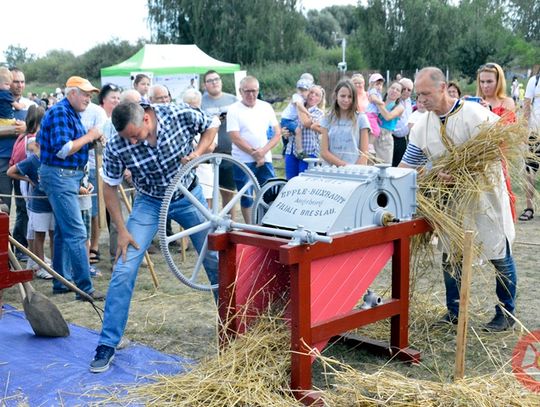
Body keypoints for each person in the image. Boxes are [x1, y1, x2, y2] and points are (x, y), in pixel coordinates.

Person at [89, 100, 219, 373]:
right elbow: (109, 188)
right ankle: (107, 344)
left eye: (135, 136)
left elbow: (212, 124)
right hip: (149, 202)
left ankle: (235, 327)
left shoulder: (176, 113)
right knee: (124, 268)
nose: (133, 143)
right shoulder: (116, 145)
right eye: (128, 139)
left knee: (216, 260)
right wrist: (122, 230)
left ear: (147, 118)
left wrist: (199, 151)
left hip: (187, 195)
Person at [399, 67, 517, 332]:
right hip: (452, 201)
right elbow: (409, 163)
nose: (421, 100)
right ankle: (453, 311)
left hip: (485, 197)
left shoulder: (475, 114)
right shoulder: (422, 125)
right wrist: (421, 174)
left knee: (498, 252)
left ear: (443, 88)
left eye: (426, 93)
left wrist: (466, 170)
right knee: (451, 255)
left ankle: (506, 313)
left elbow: (499, 146)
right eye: (418, 94)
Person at [38, 76, 105, 299]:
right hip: (61, 176)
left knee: (63, 231)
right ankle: (84, 288)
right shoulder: (60, 112)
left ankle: (61, 282)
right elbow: (63, 149)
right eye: (85, 94)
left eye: (90, 95)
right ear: (72, 93)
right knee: (77, 233)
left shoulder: (68, 112)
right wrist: (90, 136)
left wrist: (90, 140)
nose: (88, 98)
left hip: (64, 176)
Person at [226, 76, 281, 223]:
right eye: (247, 91)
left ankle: (269, 225)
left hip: (265, 158)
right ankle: (251, 227)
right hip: (243, 160)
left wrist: (262, 152)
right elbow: (235, 136)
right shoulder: (233, 109)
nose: (251, 94)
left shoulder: (266, 107)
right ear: (240, 91)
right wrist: (254, 153)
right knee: (247, 197)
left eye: (254, 91)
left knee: (271, 193)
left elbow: (277, 133)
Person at [0, 68, 36, 257]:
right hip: (2, 159)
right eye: (15, 81)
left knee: (24, 205)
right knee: (4, 205)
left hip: (24, 161)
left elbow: (36, 130)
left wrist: (26, 128)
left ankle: (20, 247)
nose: (19, 85)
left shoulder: (28, 106)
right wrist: (12, 129)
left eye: (22, 82)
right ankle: (4, 252)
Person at [201, 70, 238, 215]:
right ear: (205, 85)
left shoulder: (233, 99)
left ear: (221, 81)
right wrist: (214, 120)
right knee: (208, 193)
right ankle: (209, 227)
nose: (214, 82)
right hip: (207, 154)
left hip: (229, 152)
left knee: (228, 192)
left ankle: (231, 225)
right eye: (210, 80)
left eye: (216, 79)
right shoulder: (201, 101)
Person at [80, 99, 107, 266]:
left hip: (93, 164)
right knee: (82, 211)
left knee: (94, 209)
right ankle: (83, 246)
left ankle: (93, 247)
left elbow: (100, 136)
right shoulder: (67, 111)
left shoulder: (97, 111)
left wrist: (94, 136)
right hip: (77, 167)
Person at [320, 79, 371, 166]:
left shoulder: (361, 119)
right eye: (343, 96)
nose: (346, 100)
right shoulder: (327, 119)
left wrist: (354, 169)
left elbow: (364, 153)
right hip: (331, 170)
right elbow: (324, 152)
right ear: (336, 96)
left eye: (350, 97)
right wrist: (344, 166)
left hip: (354, 171)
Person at [285, 85, 325, 178]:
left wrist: (299, 106)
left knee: (304, 181)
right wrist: (285, 132)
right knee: (290, 182)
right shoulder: (294, 109)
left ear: (320, 99)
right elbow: (287, 123)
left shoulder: (318, 113)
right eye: (311, 92)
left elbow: (306, 123)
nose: (313, 96)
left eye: (317, 95)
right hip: (291, 149)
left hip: (309, 152)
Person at [520, 69, 540, 221]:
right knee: (530, 170)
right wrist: (524, 131)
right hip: (536, 132)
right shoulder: (535, 80)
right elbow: (527, 107)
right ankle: (529, 207)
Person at [280, 79, 311, 155]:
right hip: (287, 119)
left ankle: (286, 146)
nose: (302, 92)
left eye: (304, 90)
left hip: (290, 120)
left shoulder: (304, 99)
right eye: (300, 90)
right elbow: (299, 105)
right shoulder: (297, 97)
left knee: (292, 132)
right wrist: (308, 113)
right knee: (298, 131)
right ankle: (300, 151)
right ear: (297, 90)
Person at [391, 78, 414, 166]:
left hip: (403, 140)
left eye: (409, 90)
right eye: (404, 89)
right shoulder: (394, 100)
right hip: (392, 137)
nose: (406, 91)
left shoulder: (409, 102)